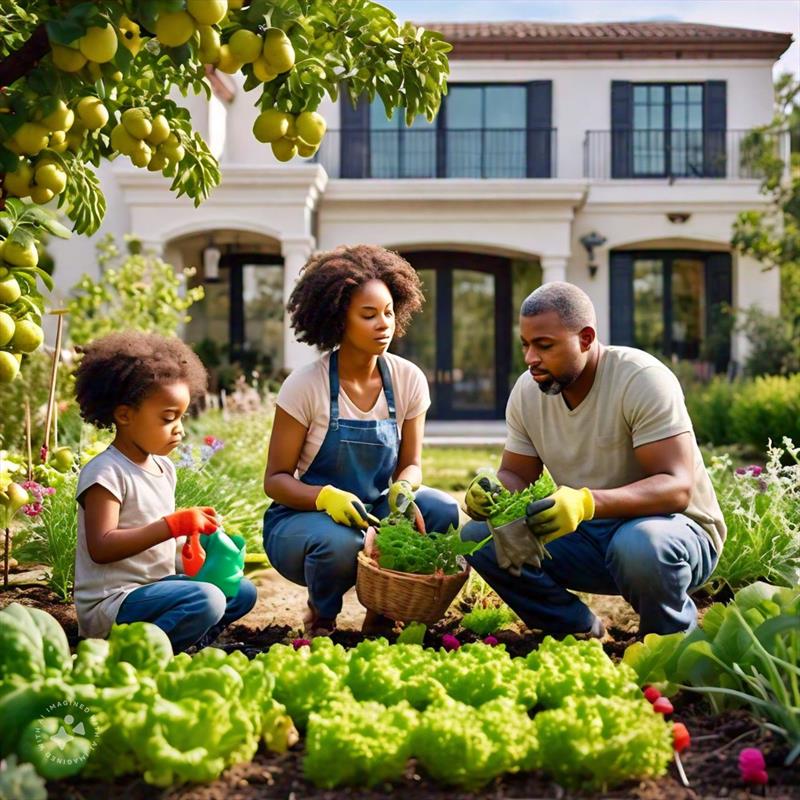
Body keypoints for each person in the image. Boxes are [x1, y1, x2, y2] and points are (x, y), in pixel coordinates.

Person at [462, 282, 724, 637]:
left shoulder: (640, 379)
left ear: (585, 338)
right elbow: (516, 473)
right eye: (525, 345)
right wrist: (492, 489)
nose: (530, 359)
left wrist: (587, 502)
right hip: (589, 535)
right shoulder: (528, 391)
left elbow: (675, 487)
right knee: (480, 536)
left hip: (670, 530)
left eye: (544, 345)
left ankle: (672, 646)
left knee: (638, 545)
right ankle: (579, 631)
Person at [263, 244, 460, 636]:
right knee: (341, 542)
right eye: (368, 315)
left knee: (442, 509)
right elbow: (276, 480)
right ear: (339, 320)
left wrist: (405, 485)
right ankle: (321, 619)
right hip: (305, 521)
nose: (383, 324)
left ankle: (384, 614)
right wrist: (324, 497)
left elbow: (411, 462)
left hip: (376, 509)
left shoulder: (407, 379)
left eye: (388, 312)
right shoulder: (306, 385)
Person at [73, 331, 257, 651]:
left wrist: (193, 543)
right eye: (168, 418)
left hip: (157, 590)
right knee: (208, 598)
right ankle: (133, 652)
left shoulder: (163, 468)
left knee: (240, 591)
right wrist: (173, 525)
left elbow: (158, 548)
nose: (179, 429)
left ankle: (186, 645)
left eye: (181, 417)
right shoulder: (105, 473)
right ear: (125, 415)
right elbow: (102, 547)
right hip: (114, 604)